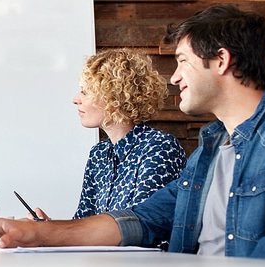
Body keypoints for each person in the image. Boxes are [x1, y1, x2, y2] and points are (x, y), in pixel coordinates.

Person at [0, 5, 265, 262]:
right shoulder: (210, 147)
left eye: (182, 61)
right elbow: (144, 220)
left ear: (220, 60)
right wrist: (39, 233)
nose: (175, 78)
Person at [31, 49, 186, 221]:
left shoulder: (158, 147)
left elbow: (144, 226)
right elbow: (83, 223)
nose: (75, 99)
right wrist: (49, 228)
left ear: (113, 96)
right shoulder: (99, 154)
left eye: (85, 92)